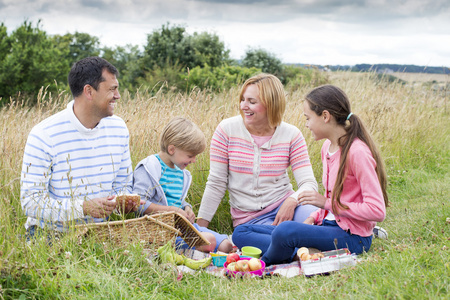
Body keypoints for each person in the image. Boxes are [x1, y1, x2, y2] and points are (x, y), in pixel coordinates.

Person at [233, 84, 389, 266]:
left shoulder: (357, 152)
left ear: (325, 116)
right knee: (241, 232)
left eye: (308, 118)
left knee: (285, 231)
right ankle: (302, 251)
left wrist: (325, 203)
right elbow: (332, 204)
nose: (306, 125)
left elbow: (377, 210)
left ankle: (260, 266)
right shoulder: (327, 148)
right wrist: (315, 216)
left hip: (353, 237)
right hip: (328, 226)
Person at [20, 56, 139, 236]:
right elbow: (30, 202)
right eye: (112, 89)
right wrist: (82, 208)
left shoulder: (119, 128)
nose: (118, 95)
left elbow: (123, 186)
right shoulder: (44, 134)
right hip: (50, 233)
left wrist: (122, 202)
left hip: (100, 233)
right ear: (89, 92)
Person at [196, 73, 319, 240]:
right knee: (271, 240)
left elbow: (308, 184)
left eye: (252, 102)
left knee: (318, 220)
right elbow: (216, 183)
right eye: (243, 99)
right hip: (250, 221)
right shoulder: (226, 130)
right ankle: (299, 246)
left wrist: (292, 200)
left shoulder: (291, 135)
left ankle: (301, 244)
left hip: (287, 208)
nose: (243, 106)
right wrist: (199, 230)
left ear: (271, 105)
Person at [132, 117, 233, 253]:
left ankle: (192, 250)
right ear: (172, 149)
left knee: (226, 245)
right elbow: (138, 203)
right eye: (190, 156)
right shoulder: (149, 168)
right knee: (209, 240)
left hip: (182, 227)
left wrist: (186, 207)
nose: (194, 161)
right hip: (160, 230)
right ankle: (179, 251)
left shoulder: (180, 172)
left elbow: (177, 199)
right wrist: (171, 211)